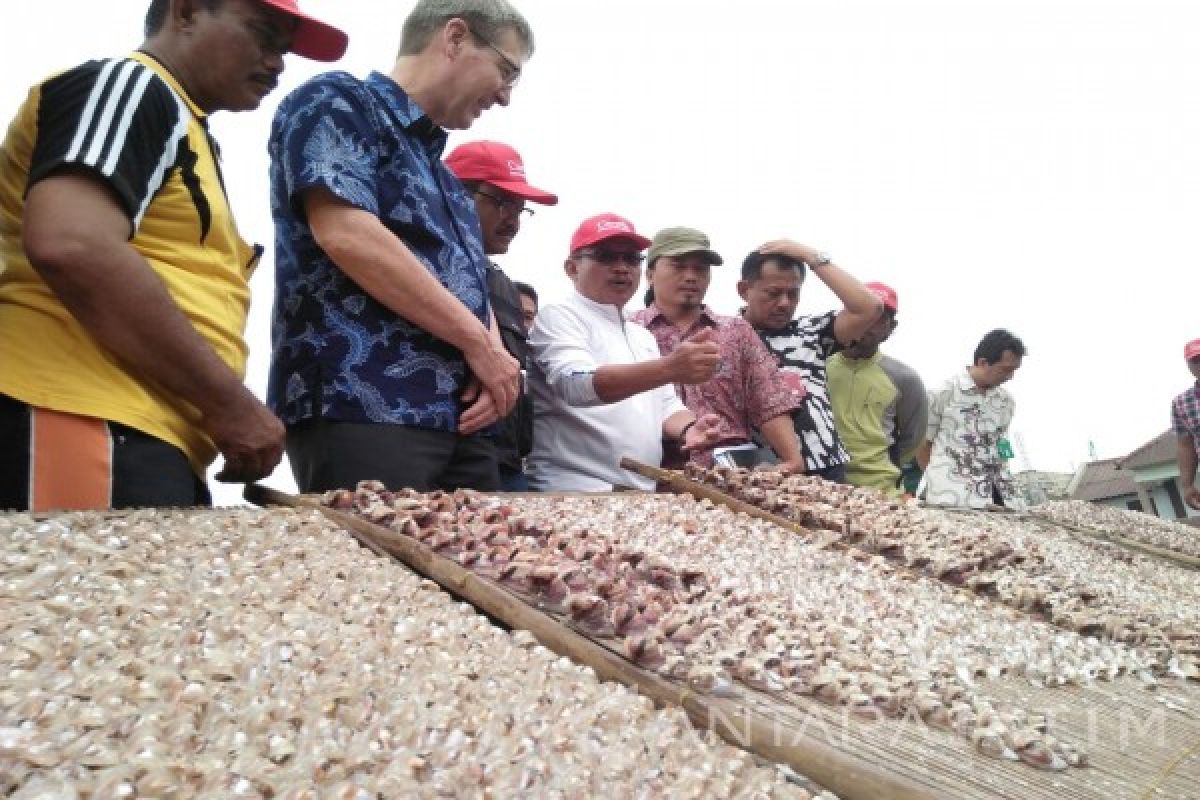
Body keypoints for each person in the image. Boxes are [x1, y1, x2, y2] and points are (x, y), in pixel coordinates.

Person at [0, 0, 346, 512]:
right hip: (80, 411)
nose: (277, 62)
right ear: (184, 13)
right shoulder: (132, 85)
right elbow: (73, 243)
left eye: (284, 48)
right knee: (87, 594)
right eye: (263, 35)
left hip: (144, 428)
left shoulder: (187, 129)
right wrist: (230, 406)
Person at [268, 0, 533, 493]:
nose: (505, 97)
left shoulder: (447, 180)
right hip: (367, 405)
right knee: (375, 566)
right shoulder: (341, 102)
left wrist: (496, 360)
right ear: (455, 37)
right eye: (506, 71)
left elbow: (473, 282)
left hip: (464, 421)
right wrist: (477, 343)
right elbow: (345, 232)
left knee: (488, 567)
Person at [527, 214, 722, 491]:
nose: (621, 268)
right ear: (572, 268)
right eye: (606, 257)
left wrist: (690, 428)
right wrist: (670, 368)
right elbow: (576, 384)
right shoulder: (559, 316)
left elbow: (664, 404)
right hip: (572, 488)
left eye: (631, 258)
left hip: (637, 491)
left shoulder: (640, 335)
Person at [631, 227, 805, 471]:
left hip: (728, 474)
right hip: (650, 472)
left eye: (700, 268)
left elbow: (768, 400)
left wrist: (792, 459)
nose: (691, 276)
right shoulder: (630, 330)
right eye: (678, 266)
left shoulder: (736, 331)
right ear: (650, 274)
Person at [445, 139, 557, 491]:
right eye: (502, 202)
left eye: (520, 208)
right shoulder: (416, 265)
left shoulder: (506, 287)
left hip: (502, 462)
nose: (514, 220)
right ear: (453, 193)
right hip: (433, 450)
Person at [737, 241, 884, 481]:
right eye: (773, 293)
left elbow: (870, 307)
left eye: (793, 294)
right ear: (744, 290)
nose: (784, 303)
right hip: (763, 469)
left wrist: (811, 256)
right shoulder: (726, 336)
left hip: (826, 463)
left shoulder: (811, 331)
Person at [826, 282, 927, 496]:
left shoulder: (905, 378)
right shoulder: (815, 365)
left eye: (879, 318)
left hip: (880, 492)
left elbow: (912, 441)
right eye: (861, 313)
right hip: (820, 487)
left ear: (891, 328)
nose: (868, 324)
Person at [917, 329, 1025, 509]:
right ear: (983, 362)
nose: (1010, 377)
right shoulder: (943, 393)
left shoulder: (1006, 402)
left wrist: (1006, 468)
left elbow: (1002, 443)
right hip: (952, 497)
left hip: (1000, 495)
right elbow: (922, 443)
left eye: (1014, 370)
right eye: (1005, 370)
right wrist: (938, 480)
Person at [1172, 338, 1200, 510]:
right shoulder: (1182, 403)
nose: (1199, 364)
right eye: (1194, 360)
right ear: (1188, 365)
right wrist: (1187, 485)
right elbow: (1185, 445)